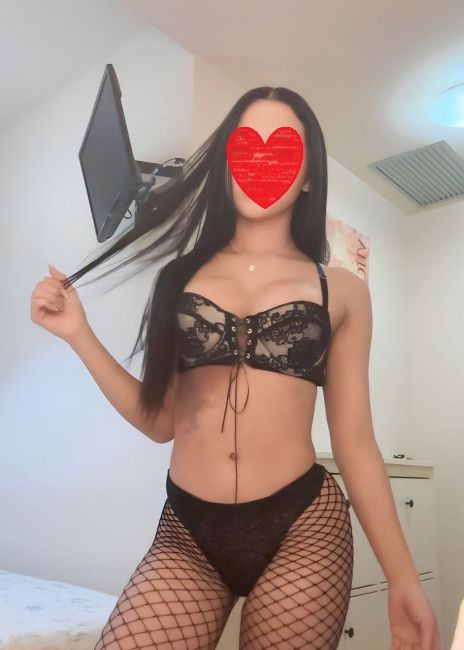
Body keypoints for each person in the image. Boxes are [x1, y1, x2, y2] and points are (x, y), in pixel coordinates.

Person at [31, 87, 440, 649]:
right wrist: (78, 333)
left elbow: (355, 441)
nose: (262, 161)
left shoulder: (341, 290)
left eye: (283, 148)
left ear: (309, 175)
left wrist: (402, 578)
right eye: (245, 146)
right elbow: (160, 423)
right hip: (188, 533)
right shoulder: (178, 279)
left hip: (302, 527)